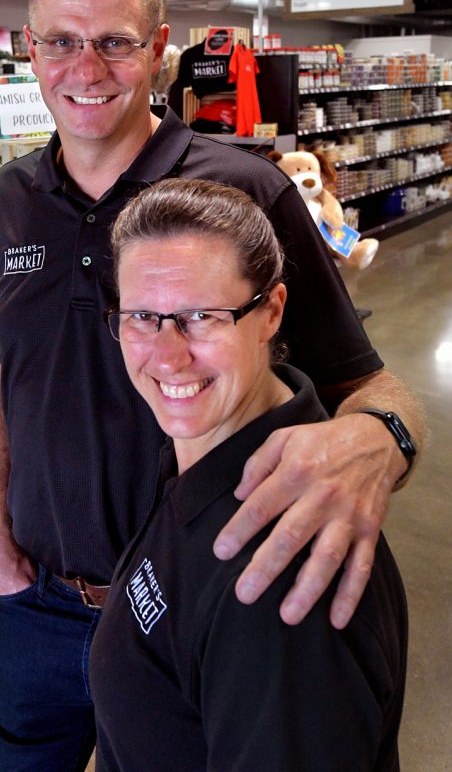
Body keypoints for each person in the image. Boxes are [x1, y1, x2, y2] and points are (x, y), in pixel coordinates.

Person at [0, 0, 424, 771]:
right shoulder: (8, 202)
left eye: (116, 41)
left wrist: (381, 442)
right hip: (33, 603)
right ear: (29, 50)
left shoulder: (246, 193)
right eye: (60, 41)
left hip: (192, 605)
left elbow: (371, 381)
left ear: (160, 49)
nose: (85, 67)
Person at [89, 178, 407, 772]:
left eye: (201, 316)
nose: (167, 356)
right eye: (141, 316)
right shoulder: (206, 455)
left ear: (272, 313)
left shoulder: (283, 580)